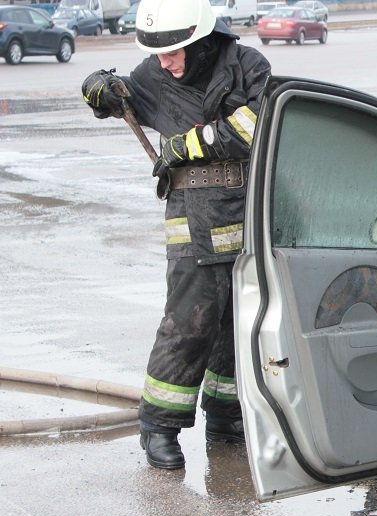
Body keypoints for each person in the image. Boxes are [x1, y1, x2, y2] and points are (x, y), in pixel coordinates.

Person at [81, 0, 271, 469]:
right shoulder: (153, 74)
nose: (164, 62)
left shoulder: (249, 65)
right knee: (190, 320)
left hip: (250, 212)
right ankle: (159, 427)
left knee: (239, 321)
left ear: (200, 39)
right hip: (191, 215)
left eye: (173, 52)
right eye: (158, 54)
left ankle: (226, 415)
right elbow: (112, 97)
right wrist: (98, 89)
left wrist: (181, 145)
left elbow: (253, 127)